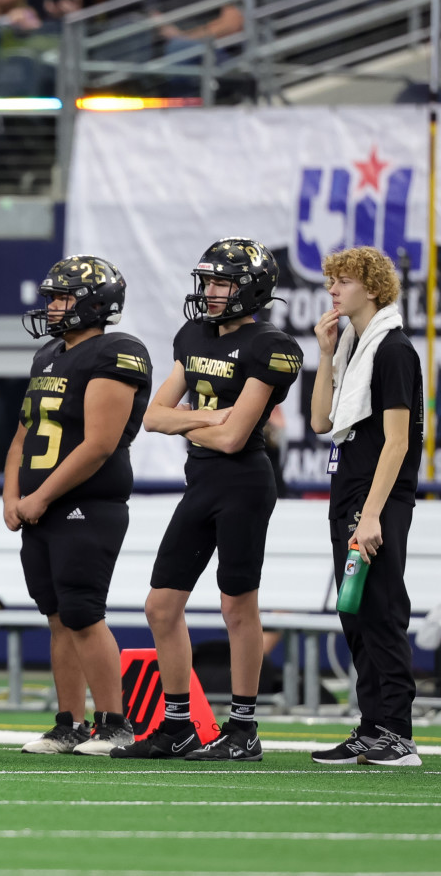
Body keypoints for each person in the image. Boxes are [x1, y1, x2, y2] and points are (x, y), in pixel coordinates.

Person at [112, 237, 302, 762]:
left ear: (251, 288)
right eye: (209, 281)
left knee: (236, 605)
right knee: (161, 605)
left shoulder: (272, 345)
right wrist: (208, 417)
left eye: (222, 282)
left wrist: (198, 424)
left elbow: (234, 438)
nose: (211, 292)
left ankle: (243, 727)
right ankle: (178, 725)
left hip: (243, 483)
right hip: (202, 483)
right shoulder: (193, 335)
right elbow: (153, 417)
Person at [5, 256, 151, 756]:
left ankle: (114, 724)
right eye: (52, 297)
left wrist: (40, 496)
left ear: (93, 303)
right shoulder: (48, 354)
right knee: (57, 615)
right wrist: (11, 494)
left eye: (63, 297)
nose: (52, 306)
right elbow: (25, 433)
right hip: (41, 508)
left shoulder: (117, 351)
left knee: (84, 612)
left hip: (87, 503)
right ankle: (69, 722)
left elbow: (99, 444)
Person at [309, 247, 423, 767]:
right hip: (350, 491)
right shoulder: (353, 346)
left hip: (377, 498)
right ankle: (372, 725)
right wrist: (326, 352)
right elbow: (318, 422)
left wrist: (373, 514)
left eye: (345, 281)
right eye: (332, 280)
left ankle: (396, 732)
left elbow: (397, 442)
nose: (333, 289)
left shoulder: (394, 349)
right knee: (353, 611)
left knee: (380, 609)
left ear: (372, 288)